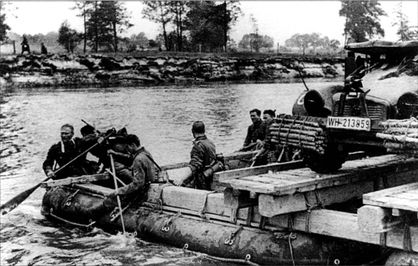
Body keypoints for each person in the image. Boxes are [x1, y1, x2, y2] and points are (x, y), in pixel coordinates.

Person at [106, 134, 158, 203]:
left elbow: (137, 184)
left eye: (128, 147)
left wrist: (119, 191)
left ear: (133, 145)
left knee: (109, 201)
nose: (127, 150)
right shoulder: (146, 153)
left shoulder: (138, 160)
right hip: (151, 182)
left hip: (144, 191)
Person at [179, 121, 222, 190]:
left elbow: (195, 166)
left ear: (193, 131)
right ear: (204, 130)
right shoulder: (210, 142)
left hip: (202, 181)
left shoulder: (198, 146)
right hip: (210, 178)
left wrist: (181, 179)